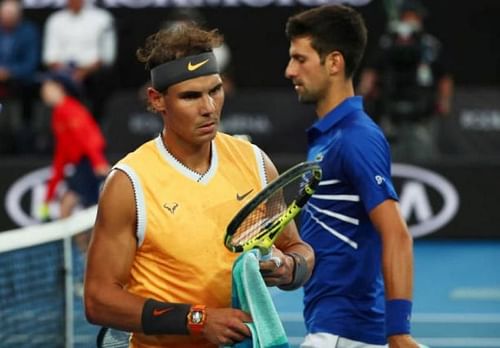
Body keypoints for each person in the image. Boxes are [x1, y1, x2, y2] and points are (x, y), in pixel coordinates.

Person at [84, 23, 314, 348]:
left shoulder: (256, 163)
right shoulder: (128, 183)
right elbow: (98, 300)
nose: (209, 108)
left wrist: (290, 268)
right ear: (157, 100)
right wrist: (198, 320)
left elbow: (297, 249)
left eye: (215, 90)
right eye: (191, 96)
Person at [284, 5, 420, 347]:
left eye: (301, 59)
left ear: (334, 63)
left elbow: (397, 235)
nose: (289, 71)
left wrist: (399, 333)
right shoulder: (327, 139)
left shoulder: (355, 137)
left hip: (345, 332)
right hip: (331, 327)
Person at [357, 0, 453, 162]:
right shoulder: (387, 43)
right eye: (408, 16)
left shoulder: (429, 45)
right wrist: (363, 91)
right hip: (390, 110)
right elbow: (371, 71)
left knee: (424, 154)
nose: (411, 21)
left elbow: (444, 76)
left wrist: (444, 101)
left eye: (415, 17)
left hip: (423, 111)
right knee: (386, 154)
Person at [39, 70, 110, 222]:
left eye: (47, 86)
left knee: (77, 209)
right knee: (70, 208)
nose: (43, 90)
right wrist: (49, 195)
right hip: (82, 166)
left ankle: (83, 245)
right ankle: (77, 246)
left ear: (59, 88)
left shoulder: (70, 110)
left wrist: (98, 162)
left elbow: (88, 138)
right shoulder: (58, 113)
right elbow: (61, 152)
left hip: (88, 165)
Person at [42, 0, 117, 120]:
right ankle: (59, 130)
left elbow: (107, 57)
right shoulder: (55, 20)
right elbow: (50, 57)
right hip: (63, 73)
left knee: (100, 82)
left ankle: (93, 127)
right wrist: (68, 75)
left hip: (92, 73)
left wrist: (83, 73)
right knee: (49, 87)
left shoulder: (103, 18)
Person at [0, 0, 40, 153]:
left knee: (22, 87)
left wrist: (8, 72)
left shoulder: (28, 32)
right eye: (4, 16)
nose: (7, 20)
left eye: (11, 16)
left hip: (20, 82)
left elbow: (31, 64)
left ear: (19, 17)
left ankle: (21, 140)